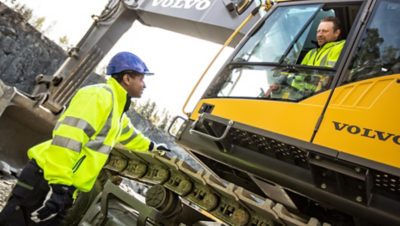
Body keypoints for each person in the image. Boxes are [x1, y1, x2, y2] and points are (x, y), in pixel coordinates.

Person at [0, 51, 170, 226]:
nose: (144, 85)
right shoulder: (99, 96)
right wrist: (58, 186)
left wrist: (152, 147)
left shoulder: (116, 107)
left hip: (63, 185)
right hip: (48, 180)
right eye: (141, 79)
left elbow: (129, 134)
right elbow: (68, 140)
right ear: (127, 79)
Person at [266, 16, 345, 98]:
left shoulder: (341, 47)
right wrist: (279, 86)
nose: (320, 35)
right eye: (318, 31)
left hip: (319, 97)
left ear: (337, 33)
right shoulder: (311, 53)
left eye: (325, 31)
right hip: (298, 96)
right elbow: (297, 75)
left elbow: (329, 79)